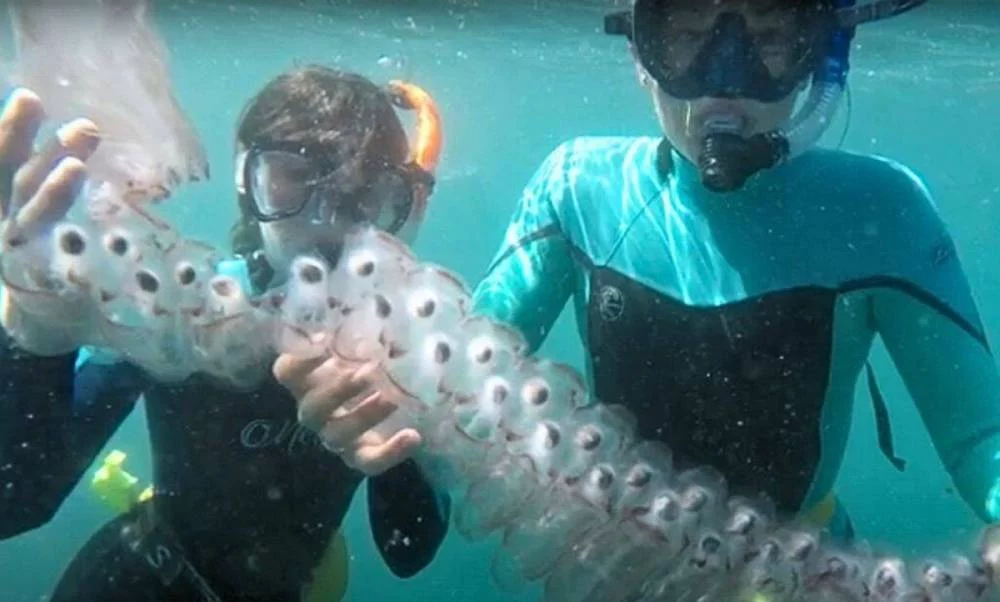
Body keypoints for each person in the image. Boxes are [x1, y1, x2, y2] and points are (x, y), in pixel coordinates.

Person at [278, 0, 1000, 548]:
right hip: (624, 566)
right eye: (686, 36)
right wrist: (398, 419)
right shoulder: (577, 186)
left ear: (823, 54)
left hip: (802, 568)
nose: (725, 82)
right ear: (640, 51)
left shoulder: (879, 206)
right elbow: (467, 374)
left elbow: (979, 440)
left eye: (771, 39)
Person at [0, 65, 449, 601]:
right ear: (245, 181)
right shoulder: (189, 312)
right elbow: (15, 503)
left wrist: (407, 430)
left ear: (395, 205)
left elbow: (409, 551)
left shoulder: (397, 351)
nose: (328, 222)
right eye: (294, 179)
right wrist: (34, 345)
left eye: (364, 194)